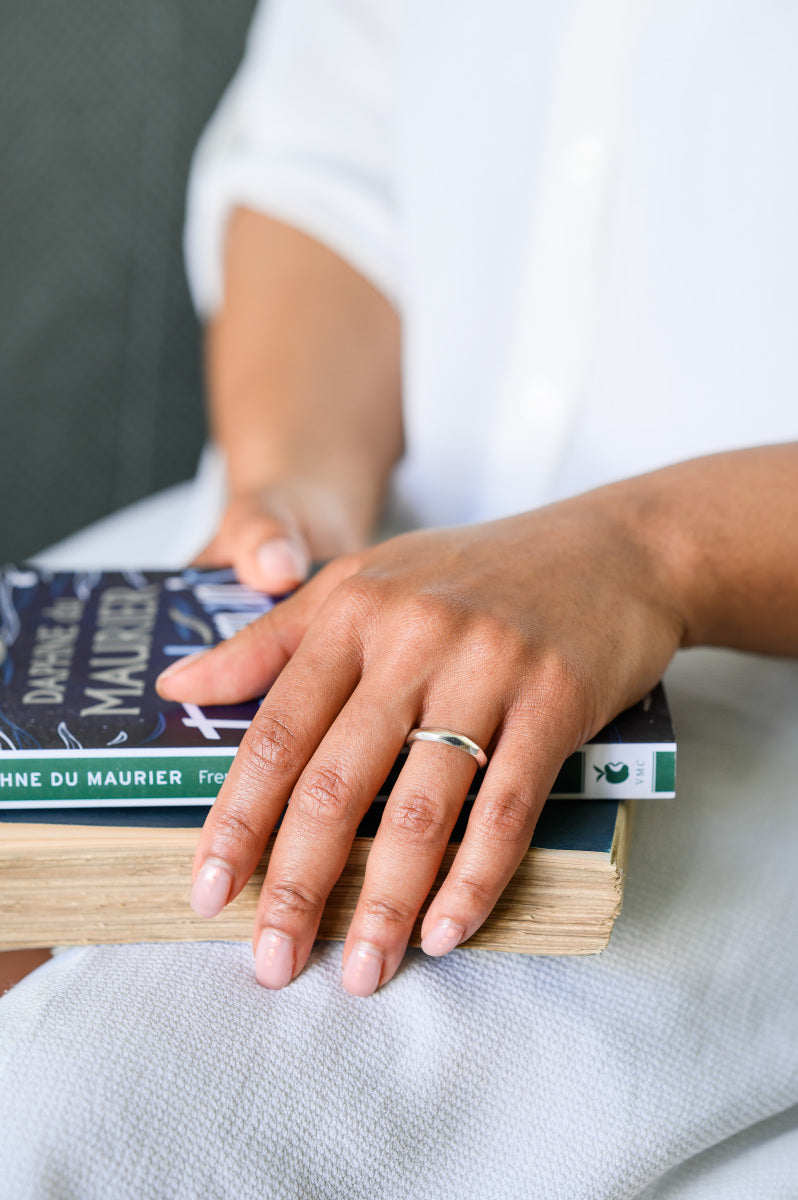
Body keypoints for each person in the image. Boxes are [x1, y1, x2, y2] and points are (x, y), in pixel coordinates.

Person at [2, 1, 797, 1195]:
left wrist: (651, 549)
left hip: (753, 659)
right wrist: (289, 483)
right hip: (359, 548)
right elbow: (333, 153)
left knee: (93, 1099)